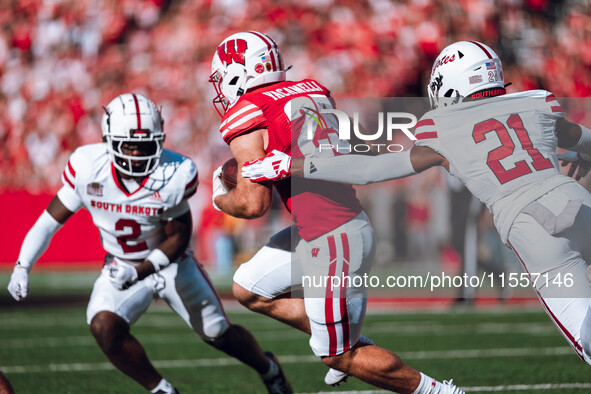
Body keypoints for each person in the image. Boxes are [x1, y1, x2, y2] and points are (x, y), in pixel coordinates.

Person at [243, 40, 591, 365]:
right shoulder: (536, 103)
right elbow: (582, 139)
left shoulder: (441, 126)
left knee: (586, 340)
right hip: (580, 203)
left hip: (534, 229)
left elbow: (369, 169)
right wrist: (582, 156)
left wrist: (293, 164)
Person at [209, 30, 464, 393]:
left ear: (238, 74)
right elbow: (347, 146)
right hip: (328, 228)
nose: (221, 90)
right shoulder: (312, 89)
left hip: (331, 240)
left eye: (223, 79)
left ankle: (440, 392)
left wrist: (220, 195)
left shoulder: (250, 109)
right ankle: (346, 335)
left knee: (338, 356)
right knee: (248, 288)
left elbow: (253, 204)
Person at [6, 93, 292, 394]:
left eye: (146, 145)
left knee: (218, 333)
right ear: (109, 140)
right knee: (103, 326)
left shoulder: (175, 171)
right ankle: (161, 390)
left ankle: (268, 367)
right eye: (130, 146)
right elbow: (48, 221)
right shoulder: (88, 166)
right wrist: (23, 265)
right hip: (120, 263)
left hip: (173, 265)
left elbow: (179, 237)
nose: (138, 155)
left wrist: (141, 270)